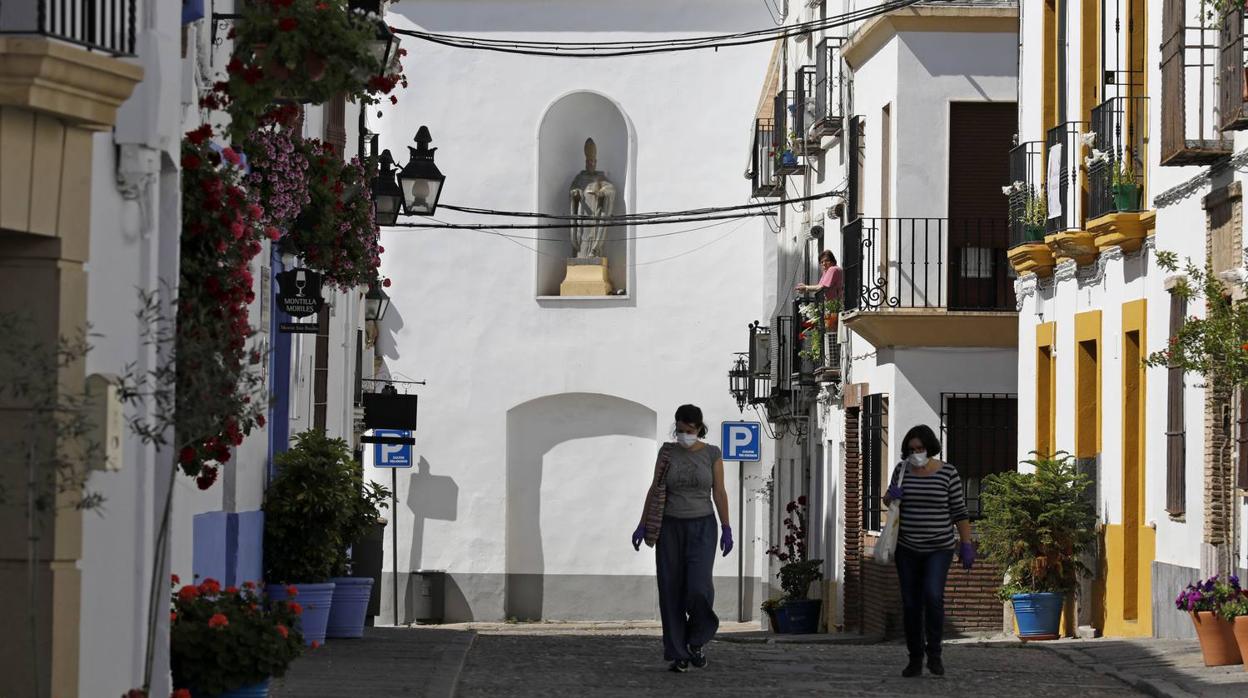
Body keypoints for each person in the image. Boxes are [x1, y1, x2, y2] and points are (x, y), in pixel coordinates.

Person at [631, 404, 733, 673]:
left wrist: (726, 527)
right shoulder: (667, 453)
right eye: (679, 430)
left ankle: (696, 639)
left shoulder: (712, 454)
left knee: (699, 589)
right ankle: (678, 653)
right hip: (670, 528)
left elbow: (719, 492)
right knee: (671, 590)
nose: (683, 435)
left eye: (688, 431)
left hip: (702, 527)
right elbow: (655, 489)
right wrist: (642, 525)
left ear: (699, 428)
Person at [882, 424, 974, 678]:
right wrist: (891, 495)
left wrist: (966, 544)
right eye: (911, 449)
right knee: (911, 604)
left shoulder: (948, 473)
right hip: (907, 547)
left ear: (930, 448)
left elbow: (959, 511)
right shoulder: (902, 470)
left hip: (939, 548)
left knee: (933, 597)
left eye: (920, 448)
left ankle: (935, 654)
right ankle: (914, 657)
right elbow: (888, 499)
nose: (916, 453)